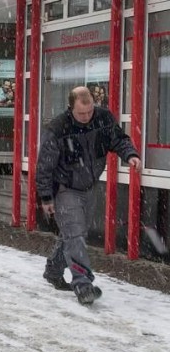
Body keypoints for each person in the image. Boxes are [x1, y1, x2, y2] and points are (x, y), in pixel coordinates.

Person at [36, 86, 141, 305]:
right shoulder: (57, 128)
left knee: (74, 234)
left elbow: (118, 139)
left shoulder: (102, 118)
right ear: (70, 108)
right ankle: (83, 285)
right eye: (81, 113)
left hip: (89, 186)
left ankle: (53, 270)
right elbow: (44, 166)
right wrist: (46, 197)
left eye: (89, 111)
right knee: (76, 236)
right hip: (65, 187)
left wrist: (130, 154)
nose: (86, 117)